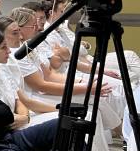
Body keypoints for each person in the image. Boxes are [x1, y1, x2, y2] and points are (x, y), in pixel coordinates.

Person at [10, 7, 126, 135]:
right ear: (19, 29)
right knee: (93, 101)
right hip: (38, 97)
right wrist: (85, 88)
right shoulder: (19, 53)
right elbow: (41, 85)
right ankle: (124, 134)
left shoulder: (29, 46)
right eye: (33, 25)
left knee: (97, 100)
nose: (37, 27)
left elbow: (49, 74)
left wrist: (81, 83)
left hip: (48, 89)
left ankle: (124, 134)